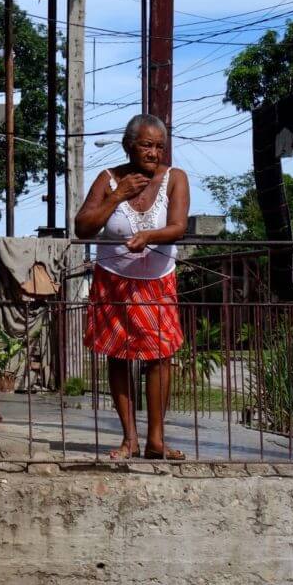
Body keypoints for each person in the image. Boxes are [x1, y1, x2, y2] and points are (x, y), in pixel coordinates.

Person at [74, 113, 190, 460]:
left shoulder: (175, 178)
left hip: (157, 282)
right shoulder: (108, 179)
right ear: (129, 146)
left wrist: (150, 236)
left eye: (160, 146)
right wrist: (117, 196)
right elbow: (83, 227)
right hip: (113, 282)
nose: (154, 153)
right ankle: (129, 439)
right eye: (147, 145)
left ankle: (156, 440)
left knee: (160, 355)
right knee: (119, 356)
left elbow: (178, 226)